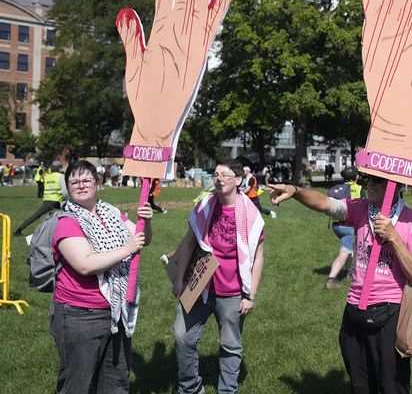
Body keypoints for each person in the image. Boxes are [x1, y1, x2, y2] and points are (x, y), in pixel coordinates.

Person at [269, 174, 412, 393]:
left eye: (377, 180)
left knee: (391, 386)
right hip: (354, 311)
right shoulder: (360, 208)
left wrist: (394, 237)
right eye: (368, 179)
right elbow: (326, 204)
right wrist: (296, 191)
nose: (370, 184)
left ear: (398, 185)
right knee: (359, 384)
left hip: (390, 313)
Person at [50, 159, 153, 393]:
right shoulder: (67, 221)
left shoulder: (111, 213)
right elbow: (85, 265)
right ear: (68, 187)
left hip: (116, 311)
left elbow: (142, 239)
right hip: (80, 314)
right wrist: (127, 249)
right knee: (77, 384)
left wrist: (146, 222)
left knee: (116, 383)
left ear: (98, 184)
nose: (81, 185)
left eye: (86, 180)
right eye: (74, 181)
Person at [173, 158, 266, 394]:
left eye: (225, 175)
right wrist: (179, 278)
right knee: (182, 337)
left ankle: (227, 390)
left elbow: (258, 258)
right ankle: (190, 388)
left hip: (233, 293)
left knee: (230, 345)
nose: (219, 179)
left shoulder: (252, 215)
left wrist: (250, 295)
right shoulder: (204, 206)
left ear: (238, 180)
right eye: (216, 174)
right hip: (199, 286)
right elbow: (188, 243)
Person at [325, 166, 364, 289]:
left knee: (349, 248)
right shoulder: (359, 189)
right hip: (350, 226)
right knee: (345, 251)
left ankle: (349, 273)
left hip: (336, 226)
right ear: (355, 177)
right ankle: (331, 278)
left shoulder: (336, 189)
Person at [14, 160, 68, 236]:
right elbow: (65, 192)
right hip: (56, 201)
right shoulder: (61, 176)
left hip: (47, 200)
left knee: (36, 215)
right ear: (59, 168)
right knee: (73, 212)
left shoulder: (48, 176)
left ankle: (18, 230)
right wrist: (66, 200)